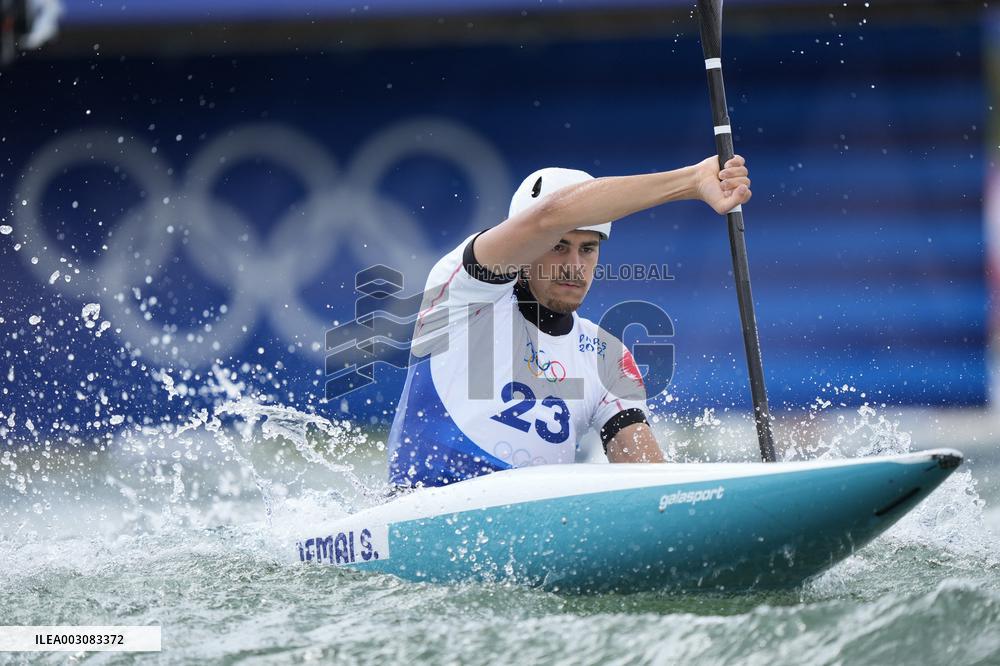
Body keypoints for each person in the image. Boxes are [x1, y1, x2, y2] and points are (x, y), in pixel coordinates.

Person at [387, 155, 752, 488]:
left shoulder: (607, 356)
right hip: (418, 512)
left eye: (587, 249)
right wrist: (691, 180)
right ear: (522, 245)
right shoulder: (465, 292)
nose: (574, 267)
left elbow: (649, 480)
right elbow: (548, 217)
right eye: (558, 246)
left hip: (530, 536)